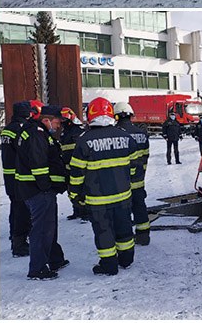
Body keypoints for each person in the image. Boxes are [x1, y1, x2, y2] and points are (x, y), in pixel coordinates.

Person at [69, 98, 135, 276]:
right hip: (123, 196)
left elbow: (76, 174)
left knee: (104, 232)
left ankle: (109, 265)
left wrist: (75, 195)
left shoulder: (84, 141)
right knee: (124, 229)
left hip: (98, 200)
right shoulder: (125, 137)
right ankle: (126, 259)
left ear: (90, 115)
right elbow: (134, 167)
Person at [17, 105, 68, 280]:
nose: (58, 126)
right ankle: (37, 268)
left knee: (48, 227)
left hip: (36, 189)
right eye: (57, 122)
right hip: (39, 191)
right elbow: (39, 166)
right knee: (42, 229)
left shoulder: (36, 133)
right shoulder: (37, 135)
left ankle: (54, 259)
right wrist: (46, 187)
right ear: (46, 120)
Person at [1, 100, 39, 257]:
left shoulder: (7, 129)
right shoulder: (20, 129)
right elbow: (24, 152)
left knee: (15, 207)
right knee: (22, 210)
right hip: (18, 175)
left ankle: (15, 236)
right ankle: (19, 244)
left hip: (9, 175)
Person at [114, 102, 151, 246]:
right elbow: (145, 157)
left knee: (123, 211)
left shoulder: (117, 134)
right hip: (139, 179)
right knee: (140, 206)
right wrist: (141, 173)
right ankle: (143, 236)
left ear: (116, 116)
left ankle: (126, 238)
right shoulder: (142, 133)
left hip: (121, 182)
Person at [59, 107, 89, 221]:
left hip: (78, 166)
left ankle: (85, 213)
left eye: (64, 120)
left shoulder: (79, 131)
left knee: (81, 190)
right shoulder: (64, 132)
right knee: (70, 190)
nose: (63, 122)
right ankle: (76, 210)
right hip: (67, 166)